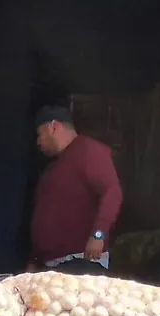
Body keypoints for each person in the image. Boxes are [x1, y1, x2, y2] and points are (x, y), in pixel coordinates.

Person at [29, 105, 122, 273]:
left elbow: (112, 192)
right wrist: (34, 260)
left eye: (40, 134)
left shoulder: (89, 151)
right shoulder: (53, 168)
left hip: (80, 261)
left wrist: (98, 235)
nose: (38, 142)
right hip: (50, 265)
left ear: (54, 127)